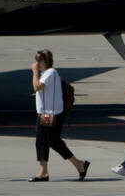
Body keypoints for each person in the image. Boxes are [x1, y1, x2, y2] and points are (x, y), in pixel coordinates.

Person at [29, 49, 89, 182]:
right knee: (41, 142)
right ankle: (43, 172)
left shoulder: (50, 72)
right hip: (44, 114)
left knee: (54, 142)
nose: (37, 62)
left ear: (47, 61)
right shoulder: (46, 73)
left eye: (40, 60)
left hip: (53, 115)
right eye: (36, 59)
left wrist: (34, 72)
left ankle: (79, 164)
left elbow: (37, 87)